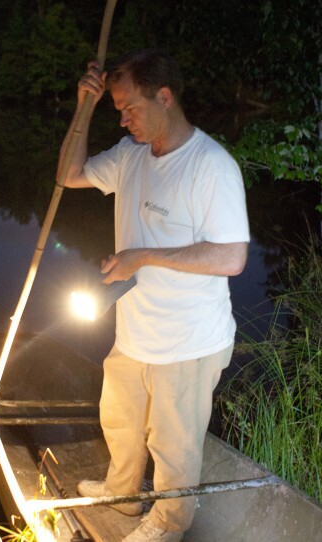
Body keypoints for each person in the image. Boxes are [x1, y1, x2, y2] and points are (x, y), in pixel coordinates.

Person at [57, 49, 250, 542]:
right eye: (116, 109)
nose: (122, 121)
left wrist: (140, 256)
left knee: (175, 448)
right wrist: (85, 105)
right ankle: (123, 499)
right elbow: (68, 175)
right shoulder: (129, 158)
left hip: (187, 343)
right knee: (119, 423)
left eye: (130, 108)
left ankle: (167, 525)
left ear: (164, 97)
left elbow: (231, 257)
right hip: (134, 331)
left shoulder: (212, 166)